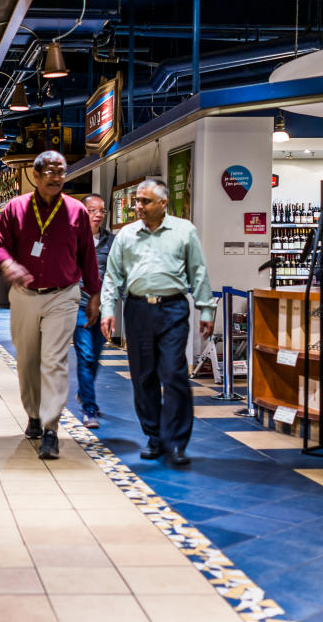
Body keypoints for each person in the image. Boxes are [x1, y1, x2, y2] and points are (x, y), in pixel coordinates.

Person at [0, 150, 101, 460]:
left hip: (63, 295)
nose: (56, 176)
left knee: (54, 360)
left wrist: (94, 294)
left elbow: (87, 259)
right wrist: (8, 265)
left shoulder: (77, 211)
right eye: (49, 171)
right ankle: (34, 415)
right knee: (27, 360)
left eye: (61, 171)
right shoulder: (15, 208)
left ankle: (51, 427)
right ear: (36, 177)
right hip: (25, 295)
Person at [100, 179, 215, 467]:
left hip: (173, 308)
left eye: (145, 201)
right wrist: (107, 309)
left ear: (164, 203)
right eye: (137, 201)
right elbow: (112, 276)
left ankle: (177, 442)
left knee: (174, 374)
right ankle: (154, 436)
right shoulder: (126, 235)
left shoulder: (184, 231)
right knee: (143, 376)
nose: (138, 206)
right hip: (137, 310)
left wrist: (206, 309)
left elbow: (198, 271)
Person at [72, 194, 115, 429]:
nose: (98, 215)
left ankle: (84, 391)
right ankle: (89, 408)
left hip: (103, 306)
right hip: (78, 306)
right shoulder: (72, 239)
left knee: (96, 357)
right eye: (92, 210)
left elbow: (116, 273)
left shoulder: (111, 242)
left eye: (102, 211)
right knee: (86, 356)